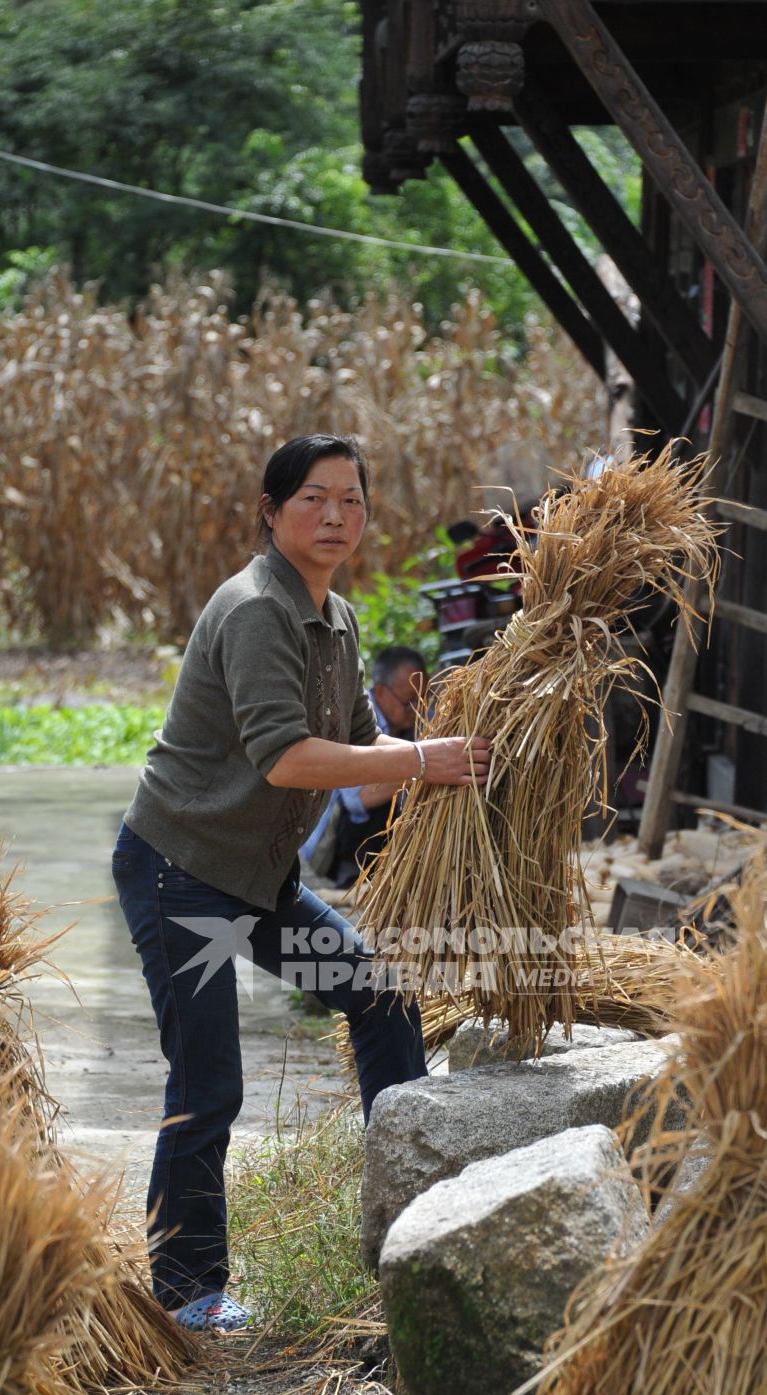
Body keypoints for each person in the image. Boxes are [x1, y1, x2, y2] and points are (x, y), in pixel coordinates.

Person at [112, 433, 490, 1331]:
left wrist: (466, 756)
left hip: (259, 882)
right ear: (273, 512)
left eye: (351, 501)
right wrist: (423, 760)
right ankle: (186, 1288)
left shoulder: (340, 622)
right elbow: (287, 760)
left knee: (380, 997)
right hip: (184, 874)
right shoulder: (254, 611)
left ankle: (407, 1211)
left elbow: (362, 770)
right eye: (314, 499)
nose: (335, 516)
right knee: (208, 1084)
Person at [302, 645, 429, 887]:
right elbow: (356, 800)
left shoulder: (412, 719)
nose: (417, 710)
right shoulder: (351, 716)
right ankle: (352, 876)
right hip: (333, 844)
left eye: (422, 700)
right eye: (409, 701)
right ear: (380, 693)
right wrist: (422, 767)